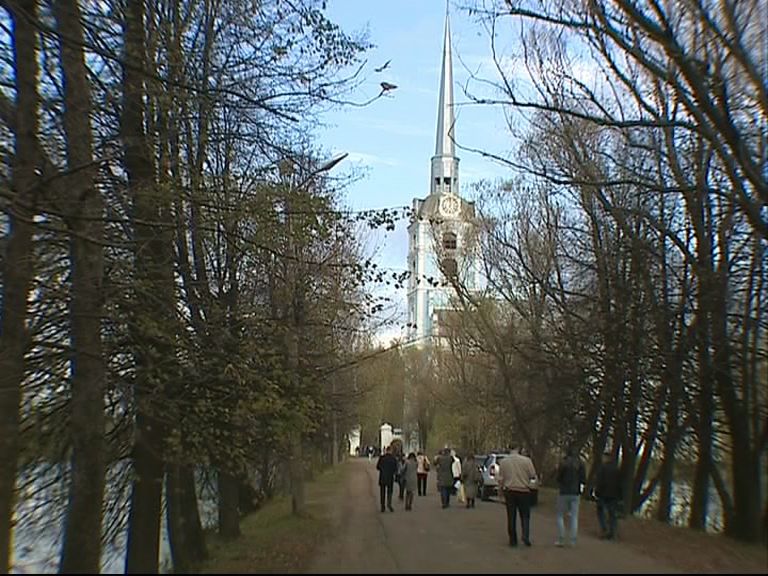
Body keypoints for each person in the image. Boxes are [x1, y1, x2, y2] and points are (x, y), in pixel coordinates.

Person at [497, 446, 538, 547]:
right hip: (523, 490)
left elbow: (501, 478)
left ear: (509, 449)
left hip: (510, 490)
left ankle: (513, 539)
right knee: (525, 515)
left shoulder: (504, 462)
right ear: (518, 449)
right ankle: (525, 536)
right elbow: (533, 475)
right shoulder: (526, 461)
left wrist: (500, 490)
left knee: (511, 515)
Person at [555, 446, 586, 547]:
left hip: (564, 491)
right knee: (574, 517)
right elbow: (583, 479)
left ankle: (561, 539)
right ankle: (573, 540)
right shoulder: (580, 463)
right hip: (575, 492)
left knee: (560, 515)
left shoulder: (563, 463)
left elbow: (558, 477)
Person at [595, 451, 623, 540]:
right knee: (612, 513)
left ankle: (604, 529)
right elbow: (620, 484)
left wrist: (597, 492)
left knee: (600, 511)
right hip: (614, 495)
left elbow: (599, 482)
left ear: (606, 458)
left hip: (603, 494)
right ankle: (612, 532)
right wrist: (620, 496)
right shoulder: (617, 469)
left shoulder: (602, 468)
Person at [376, 445, 398, 512]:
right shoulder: (393, 459)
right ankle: (389, 504)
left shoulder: (382, 458)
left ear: (386, 450)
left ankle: (382, 506)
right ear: (391, 451)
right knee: (390, 492)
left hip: (382, 477)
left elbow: (378, 467)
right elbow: (395, 469)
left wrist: (383, 469)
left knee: (382, 492)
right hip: (390, 477)